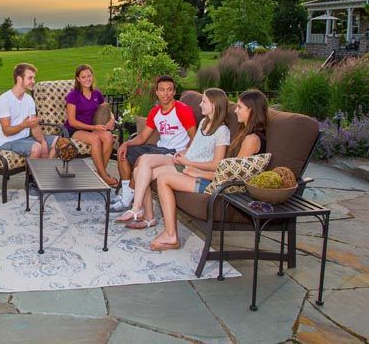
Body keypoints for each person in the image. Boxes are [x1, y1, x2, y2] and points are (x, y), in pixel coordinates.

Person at [150, 89, 268, 251]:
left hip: (223, 189)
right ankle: (168, 232)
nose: (235, 110)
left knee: (164, 178)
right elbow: (227, 169)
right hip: (218, 181)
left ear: (251, 110)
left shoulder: (251, 140)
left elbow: (232, 177)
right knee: (162, 175)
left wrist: (198, 173)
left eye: (240, 107)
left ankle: (171, 235)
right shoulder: (246, 134)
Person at [116, 88, 230, 229]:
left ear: (214, 105)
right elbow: (196, 147)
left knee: (142, 168)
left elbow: (216, 165)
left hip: (191, 168)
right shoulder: (204, 123)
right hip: (184, 160)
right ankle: (146, 216)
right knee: (140, 168)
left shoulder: (222, 131)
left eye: (204, 101)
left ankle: (136, 209)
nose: (200, 105)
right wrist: (183, 152)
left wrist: (187, 162)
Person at [112, 75, 197, 212]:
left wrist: (185, 154)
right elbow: (143, 137)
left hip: (173, 152)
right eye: (162, 90)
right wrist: (126, 144)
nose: (166, 93)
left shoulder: (183, 110)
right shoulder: (155, 112)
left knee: (141, 160)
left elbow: (195, 137)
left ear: (174, 91)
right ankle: (128, 194)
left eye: (169, 90)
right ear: (156, 92)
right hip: (159, 148)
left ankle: (127, 200)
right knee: (124, 153)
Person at [64, 64, 118, 186]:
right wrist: (94, 128)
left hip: (92, 127)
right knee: (95, 140)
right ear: (78, 79)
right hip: (74, 129)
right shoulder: (73, 95)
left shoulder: (96, 94)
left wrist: (112, 119)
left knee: (109, 137)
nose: (87, 79)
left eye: (89, 76)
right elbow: (72, 122)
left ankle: (99, 174)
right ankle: (104, 176)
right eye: (83, 77)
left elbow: (106, 109)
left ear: (92, 76)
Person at [0, 63, 57, 158]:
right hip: (6, 142)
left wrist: (43, 141)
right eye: (30, 78)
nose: (33, 81)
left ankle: (44, 169)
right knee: (36, 148)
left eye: (34, 78)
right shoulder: (4, 100)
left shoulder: (29, 99)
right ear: (19, 79)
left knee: (59, 142)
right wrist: (24, 125)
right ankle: (33, 173)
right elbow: (6, 131)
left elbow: (34, 126)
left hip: (25, 139)